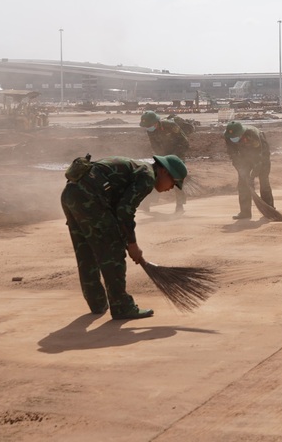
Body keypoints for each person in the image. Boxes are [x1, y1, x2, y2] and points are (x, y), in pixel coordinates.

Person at [61, 153, 187, 320]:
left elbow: (117, 208)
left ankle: (97, 303)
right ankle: (121, 306)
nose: (171, 188)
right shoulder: (147, 177)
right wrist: (132, 244)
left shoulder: (139, 168)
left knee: (85, 251)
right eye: (174, 182)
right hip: (90, 198)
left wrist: (126, 237)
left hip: (71, 194)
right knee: (113, 252)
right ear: (163, 171)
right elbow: (124, 211)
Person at [139, 111, 190, 213]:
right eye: (146, 126)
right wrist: (161, 158)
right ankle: (147, 203)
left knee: (177, 179)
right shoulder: (150, 130)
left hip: (177, 155)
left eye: (149, 126)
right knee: (155, 177)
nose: (148, 128)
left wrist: (175, 156)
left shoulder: (170, 125)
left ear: (156, 122)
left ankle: (179, 206)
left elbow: (184, 142)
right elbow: (154, 145)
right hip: (164, 155)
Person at [224, 121, 274, 220]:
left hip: (261, 156)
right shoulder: (228, 136)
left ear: (241, 133)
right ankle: (245, 212)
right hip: (244, 156)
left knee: (264, 181)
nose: (234, 138)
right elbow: (233, 155)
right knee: (243, 184)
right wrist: (241, 171)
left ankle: (270, 210)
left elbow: (258, 157)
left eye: (236, 136)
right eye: (232, 137)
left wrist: (253, 175)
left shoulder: (252, 134)